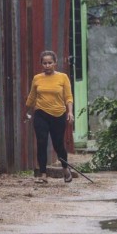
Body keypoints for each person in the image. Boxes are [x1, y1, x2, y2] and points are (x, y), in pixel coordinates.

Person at [26, 51, 74, 184]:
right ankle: (43, 174)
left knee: (58, 144)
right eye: (44, 63)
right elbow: (32, 96)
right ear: (41, 64)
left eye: (50, 63)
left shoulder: (63, 77)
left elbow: (68, 97)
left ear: (55, 63)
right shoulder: (37, 78)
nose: (47, 65)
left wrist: (70, 112)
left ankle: (65, 169)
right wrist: (26, 110)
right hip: (41, 113)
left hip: (58, 114)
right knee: (41, 142)